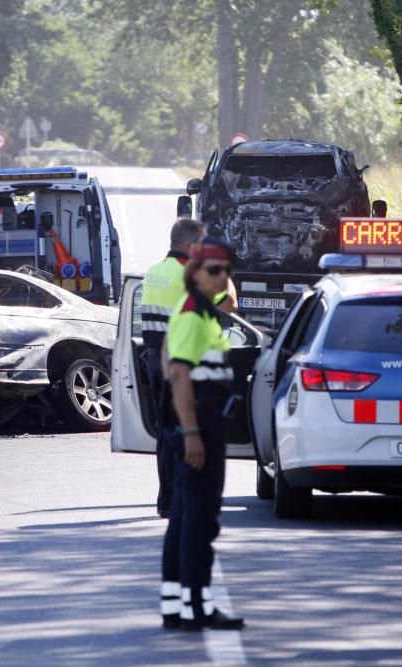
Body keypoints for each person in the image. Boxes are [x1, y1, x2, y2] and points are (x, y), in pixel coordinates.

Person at [160, 237, 245, 632]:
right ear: (194, 273)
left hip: (204, 426)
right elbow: (178, 374)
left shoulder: (204, 314)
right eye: (214, 270)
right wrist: (192, 432)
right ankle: (196, 608)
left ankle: (178, 606)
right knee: (199, 520)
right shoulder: (193, 314)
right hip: (199, 428)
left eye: (227, 270)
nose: (223, 276)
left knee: (185, 517)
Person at [141, 220, 239, 519]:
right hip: (185, 360)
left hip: (155, 358)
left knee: (166, 432)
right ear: (189, 246)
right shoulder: (190, 280)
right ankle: (186, 499)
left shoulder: (153, 272)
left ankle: (167, 499)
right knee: (190, 432)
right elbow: (230, 304)